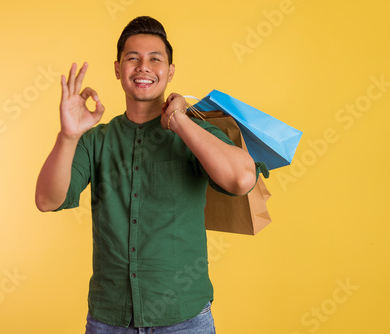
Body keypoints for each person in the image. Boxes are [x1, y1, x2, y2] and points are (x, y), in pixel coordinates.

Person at [35, 16, 263, 333]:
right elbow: (47, 200)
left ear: (170, 72)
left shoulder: (195, 133)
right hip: (109, 319)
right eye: (133, 58)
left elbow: (242, 180)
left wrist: (181, 121)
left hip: (185, 320)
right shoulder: (95, 140)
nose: (143, 67)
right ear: (118, 69)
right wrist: (68, 135)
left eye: (155, 59)